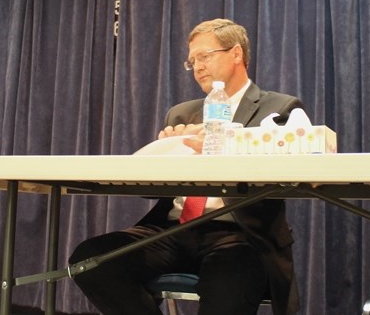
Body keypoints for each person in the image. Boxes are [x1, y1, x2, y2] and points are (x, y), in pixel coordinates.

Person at [69, 18, 304, 315]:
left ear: (236, 54)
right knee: (90, 260)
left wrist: (224, 146)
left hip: (239, 234)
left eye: (205, 56)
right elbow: (151, 189)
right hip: (173, 228)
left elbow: (288, 175)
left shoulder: (280, 108)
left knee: (229, 288)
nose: (197, 67)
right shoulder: (182, 113)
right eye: (192, 61)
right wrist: (167, 151)